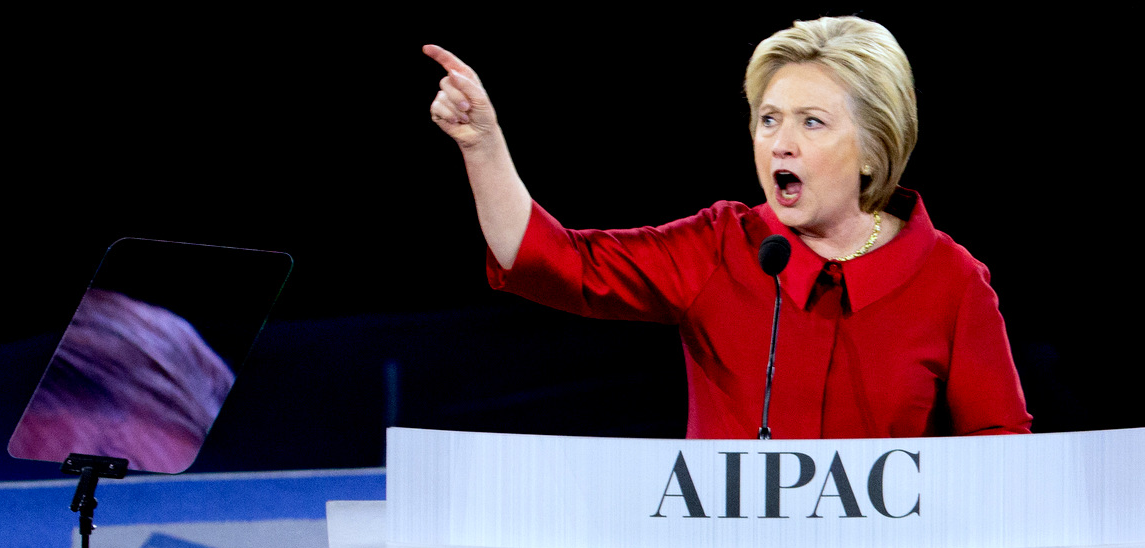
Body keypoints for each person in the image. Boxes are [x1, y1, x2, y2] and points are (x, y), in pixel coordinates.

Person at [425, 16, 1031, 440]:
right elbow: (558, 264)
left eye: (812, 123)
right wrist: (482, 145)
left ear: (874, 147)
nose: (780, 143)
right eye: (769, 120)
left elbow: (1000, 450)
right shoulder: (720, 247)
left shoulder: (952, 282)